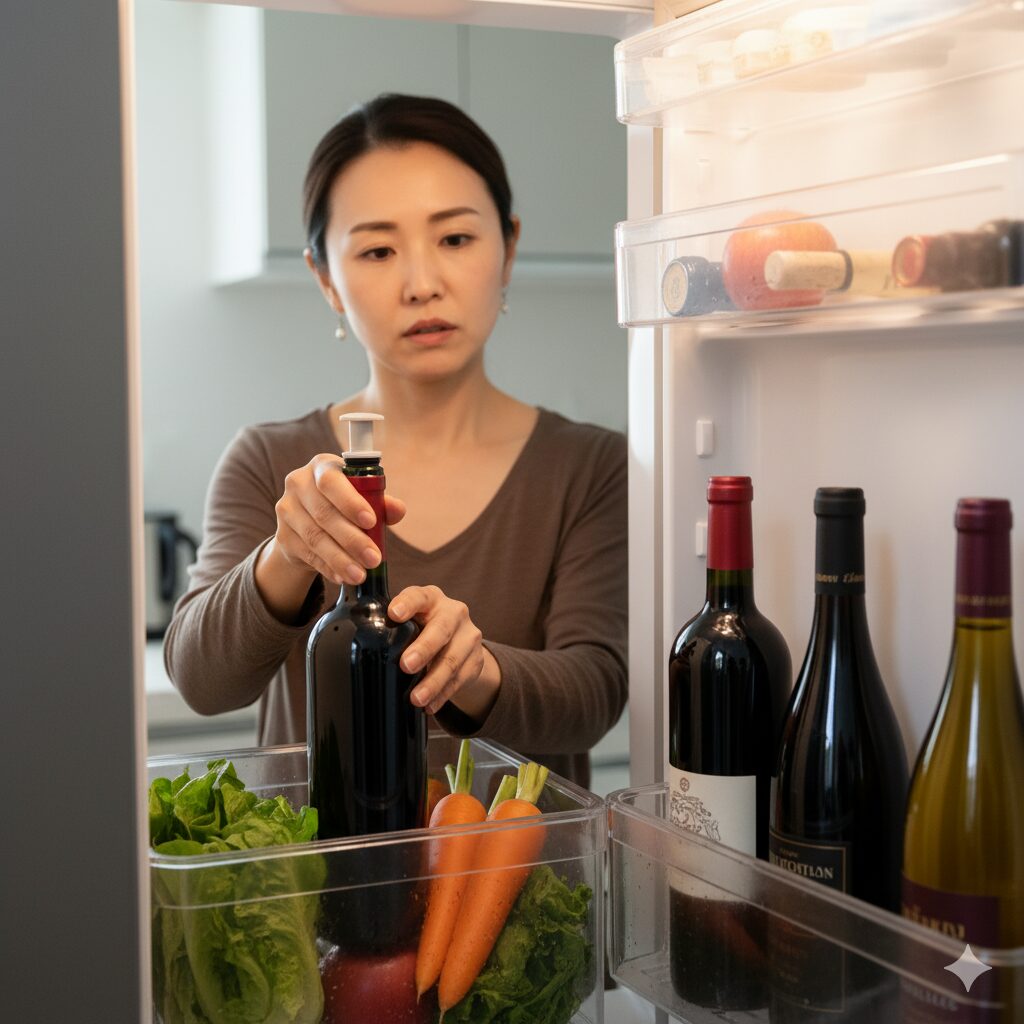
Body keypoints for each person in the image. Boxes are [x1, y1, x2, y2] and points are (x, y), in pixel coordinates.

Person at [165, 93, 626, 787]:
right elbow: (202, 680)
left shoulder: (589, 467)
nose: (422, 283)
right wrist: (287, 553)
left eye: (456, 239)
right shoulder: (267, 461)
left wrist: (474, 668)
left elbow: (594, 693)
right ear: (325, 277)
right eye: (378, 250)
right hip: (315, 889)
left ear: (508, 249)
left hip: (521, 892)